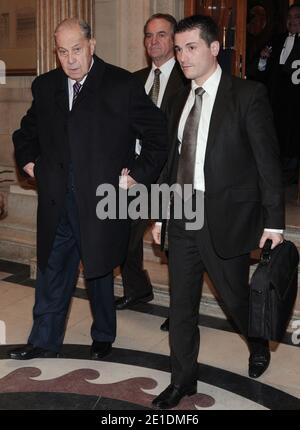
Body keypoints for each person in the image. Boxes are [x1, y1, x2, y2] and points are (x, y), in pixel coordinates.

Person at [10, 18, 167, 361]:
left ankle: (103, 333)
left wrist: (136, 176)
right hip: (56, 200)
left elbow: (158, 137)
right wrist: (29, 161)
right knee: (52, 270)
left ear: (92, 45)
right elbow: (25, 133)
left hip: (101, 202)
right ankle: (42, 340)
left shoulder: (121, 85)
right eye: (63, 52)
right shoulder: (46, 85)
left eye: (77, 50)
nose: (71, 60)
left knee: (98, 270)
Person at [151, 15, 284, 410]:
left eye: (190, 47)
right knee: (181, 305)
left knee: (236, 299)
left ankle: (257, 341)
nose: (183, 56)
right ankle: (182, 381)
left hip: (225, 216)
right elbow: (171, 162)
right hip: (182, 213)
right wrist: (159, 214)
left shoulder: (247, 95)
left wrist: (274, 222)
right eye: (178, 49)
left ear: (213, 48)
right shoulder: (178, 98)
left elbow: (268, 165)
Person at [115, 14, 188, 333]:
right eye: (148, 35)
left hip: (171, 176)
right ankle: (138, 289)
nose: (153, 41)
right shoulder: (134, 79)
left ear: (173, 40)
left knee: (174, 248)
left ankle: (182, 308)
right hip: (137, 174)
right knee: (125, 238)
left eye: (161, 34)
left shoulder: (188, 80)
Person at [257, 4, 300, 184]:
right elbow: (261, 71)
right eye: (289, 16)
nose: (291, 20)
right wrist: (262, 59)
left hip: (297, 102)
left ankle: (290, 174)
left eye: (296, 16)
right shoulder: (276, 39)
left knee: (294, 137)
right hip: (275, 99)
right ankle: (275, 174)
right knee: (274, 136)